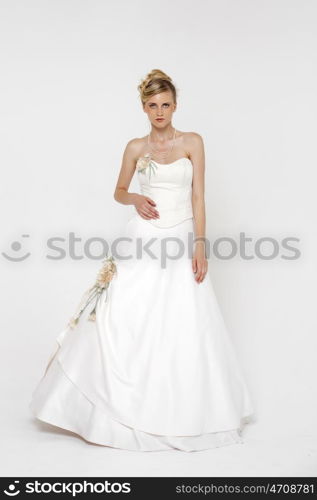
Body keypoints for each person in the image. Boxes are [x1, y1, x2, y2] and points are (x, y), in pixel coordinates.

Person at [29, 68, 255, 452]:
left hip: (182, 235)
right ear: (143, 108)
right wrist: (134, 198)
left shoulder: (193, 143)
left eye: (166, 104)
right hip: (144, 238)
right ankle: (113, 402)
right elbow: (118, 191)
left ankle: (182, 408)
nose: (160, 111)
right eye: (152, 105)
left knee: (183, 318)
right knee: (124, 313)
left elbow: (198, 197)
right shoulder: (135, 147)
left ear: (176, 105)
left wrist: (200, 245)